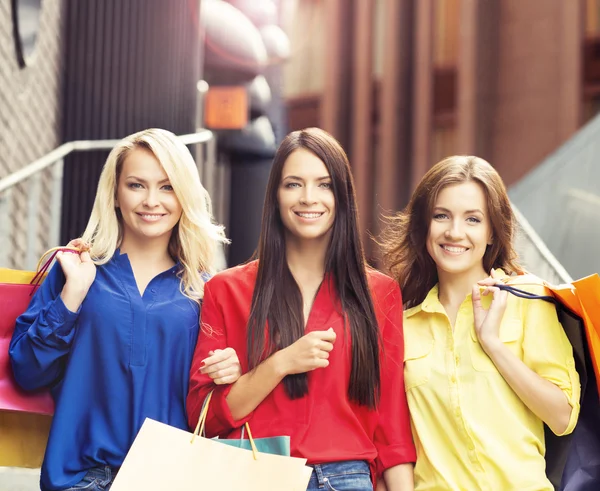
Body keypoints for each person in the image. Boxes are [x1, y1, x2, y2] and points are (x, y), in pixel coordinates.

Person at [10, 128, 240, 491]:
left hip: (171, 479)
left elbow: (216, 404)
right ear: (115, 194)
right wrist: (72, 296)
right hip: (81, 477)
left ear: (184, 197)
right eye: (136, 185)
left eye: (167, 187)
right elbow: (26, 371)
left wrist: (233, 369)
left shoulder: (207, 290)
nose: (152, 200)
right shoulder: (76, 269)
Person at [187, 127, 416, 491]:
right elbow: (206, 417)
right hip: (257, 475)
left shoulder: (380, 293)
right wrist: (279, 364)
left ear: (342, 196)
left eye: (324, 184)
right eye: (293, 184)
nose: (309, 198)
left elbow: (391, 425)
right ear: (275, 195)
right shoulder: (226, 291)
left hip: (348, 478)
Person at [380, 155, 581, 490]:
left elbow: (563, 418)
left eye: (473, 219)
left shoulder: (526, 298)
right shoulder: (401, 326)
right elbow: (392, 439)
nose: (454, 232)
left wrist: (494, 345)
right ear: (424, 226)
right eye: (441, 216)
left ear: (491, 233)